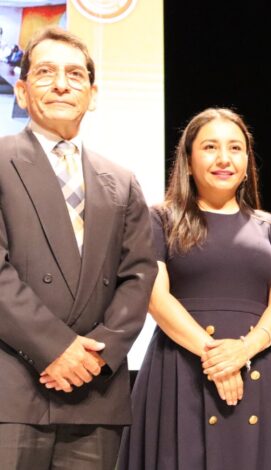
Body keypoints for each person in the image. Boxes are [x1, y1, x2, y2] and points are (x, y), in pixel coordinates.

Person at [0, 27, 157, 469]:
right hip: (13, 388)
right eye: (46, 72)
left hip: (95, 391)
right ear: (22, 90)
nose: (62, 84)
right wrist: (56, 349)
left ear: (93, 93)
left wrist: (95, 357)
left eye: (74, 74)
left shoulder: (121, 181)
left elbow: (139, 276)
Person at [118, 108, 271, 469]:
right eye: (210, 147)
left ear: (247, 161)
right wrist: (218, 358)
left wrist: (244, 351)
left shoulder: (269, 227)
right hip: (181, 369)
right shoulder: (160, 218)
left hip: (257, 370)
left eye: (235, 148)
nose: (223, 159)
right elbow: (156, 297)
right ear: (187, 161)